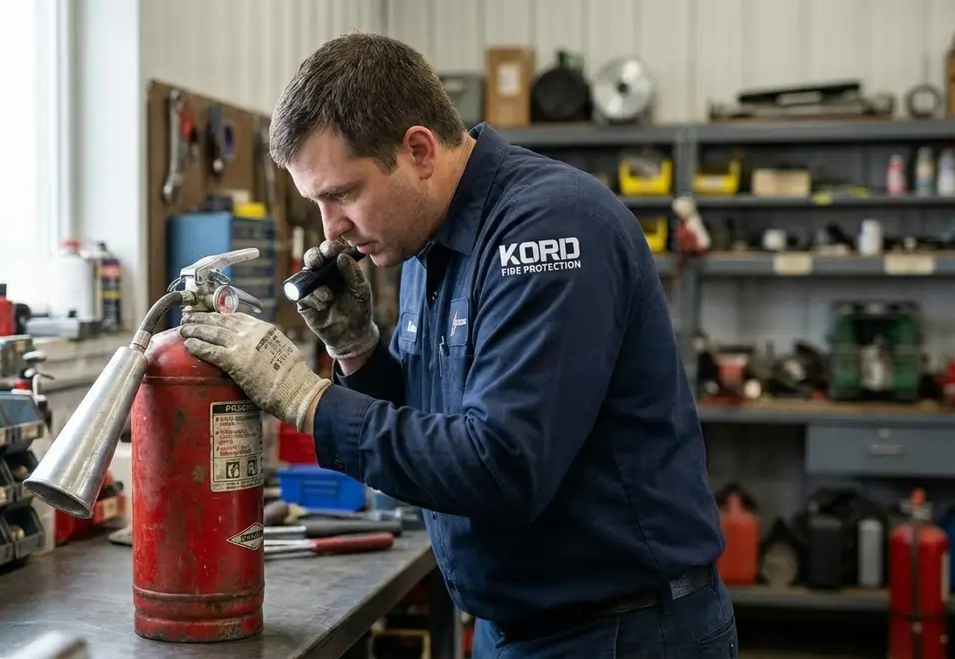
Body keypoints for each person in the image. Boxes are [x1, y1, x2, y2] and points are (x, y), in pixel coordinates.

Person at [178, 33, 737, 658]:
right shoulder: (424, 245)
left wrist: (304, 398)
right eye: (317, 202)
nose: (330, 228)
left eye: (342, 194)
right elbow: (429, 441)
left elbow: (502, 467)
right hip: (514, 627)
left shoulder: (551, 229)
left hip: (621, 633)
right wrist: (358, 352)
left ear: (418, 150)